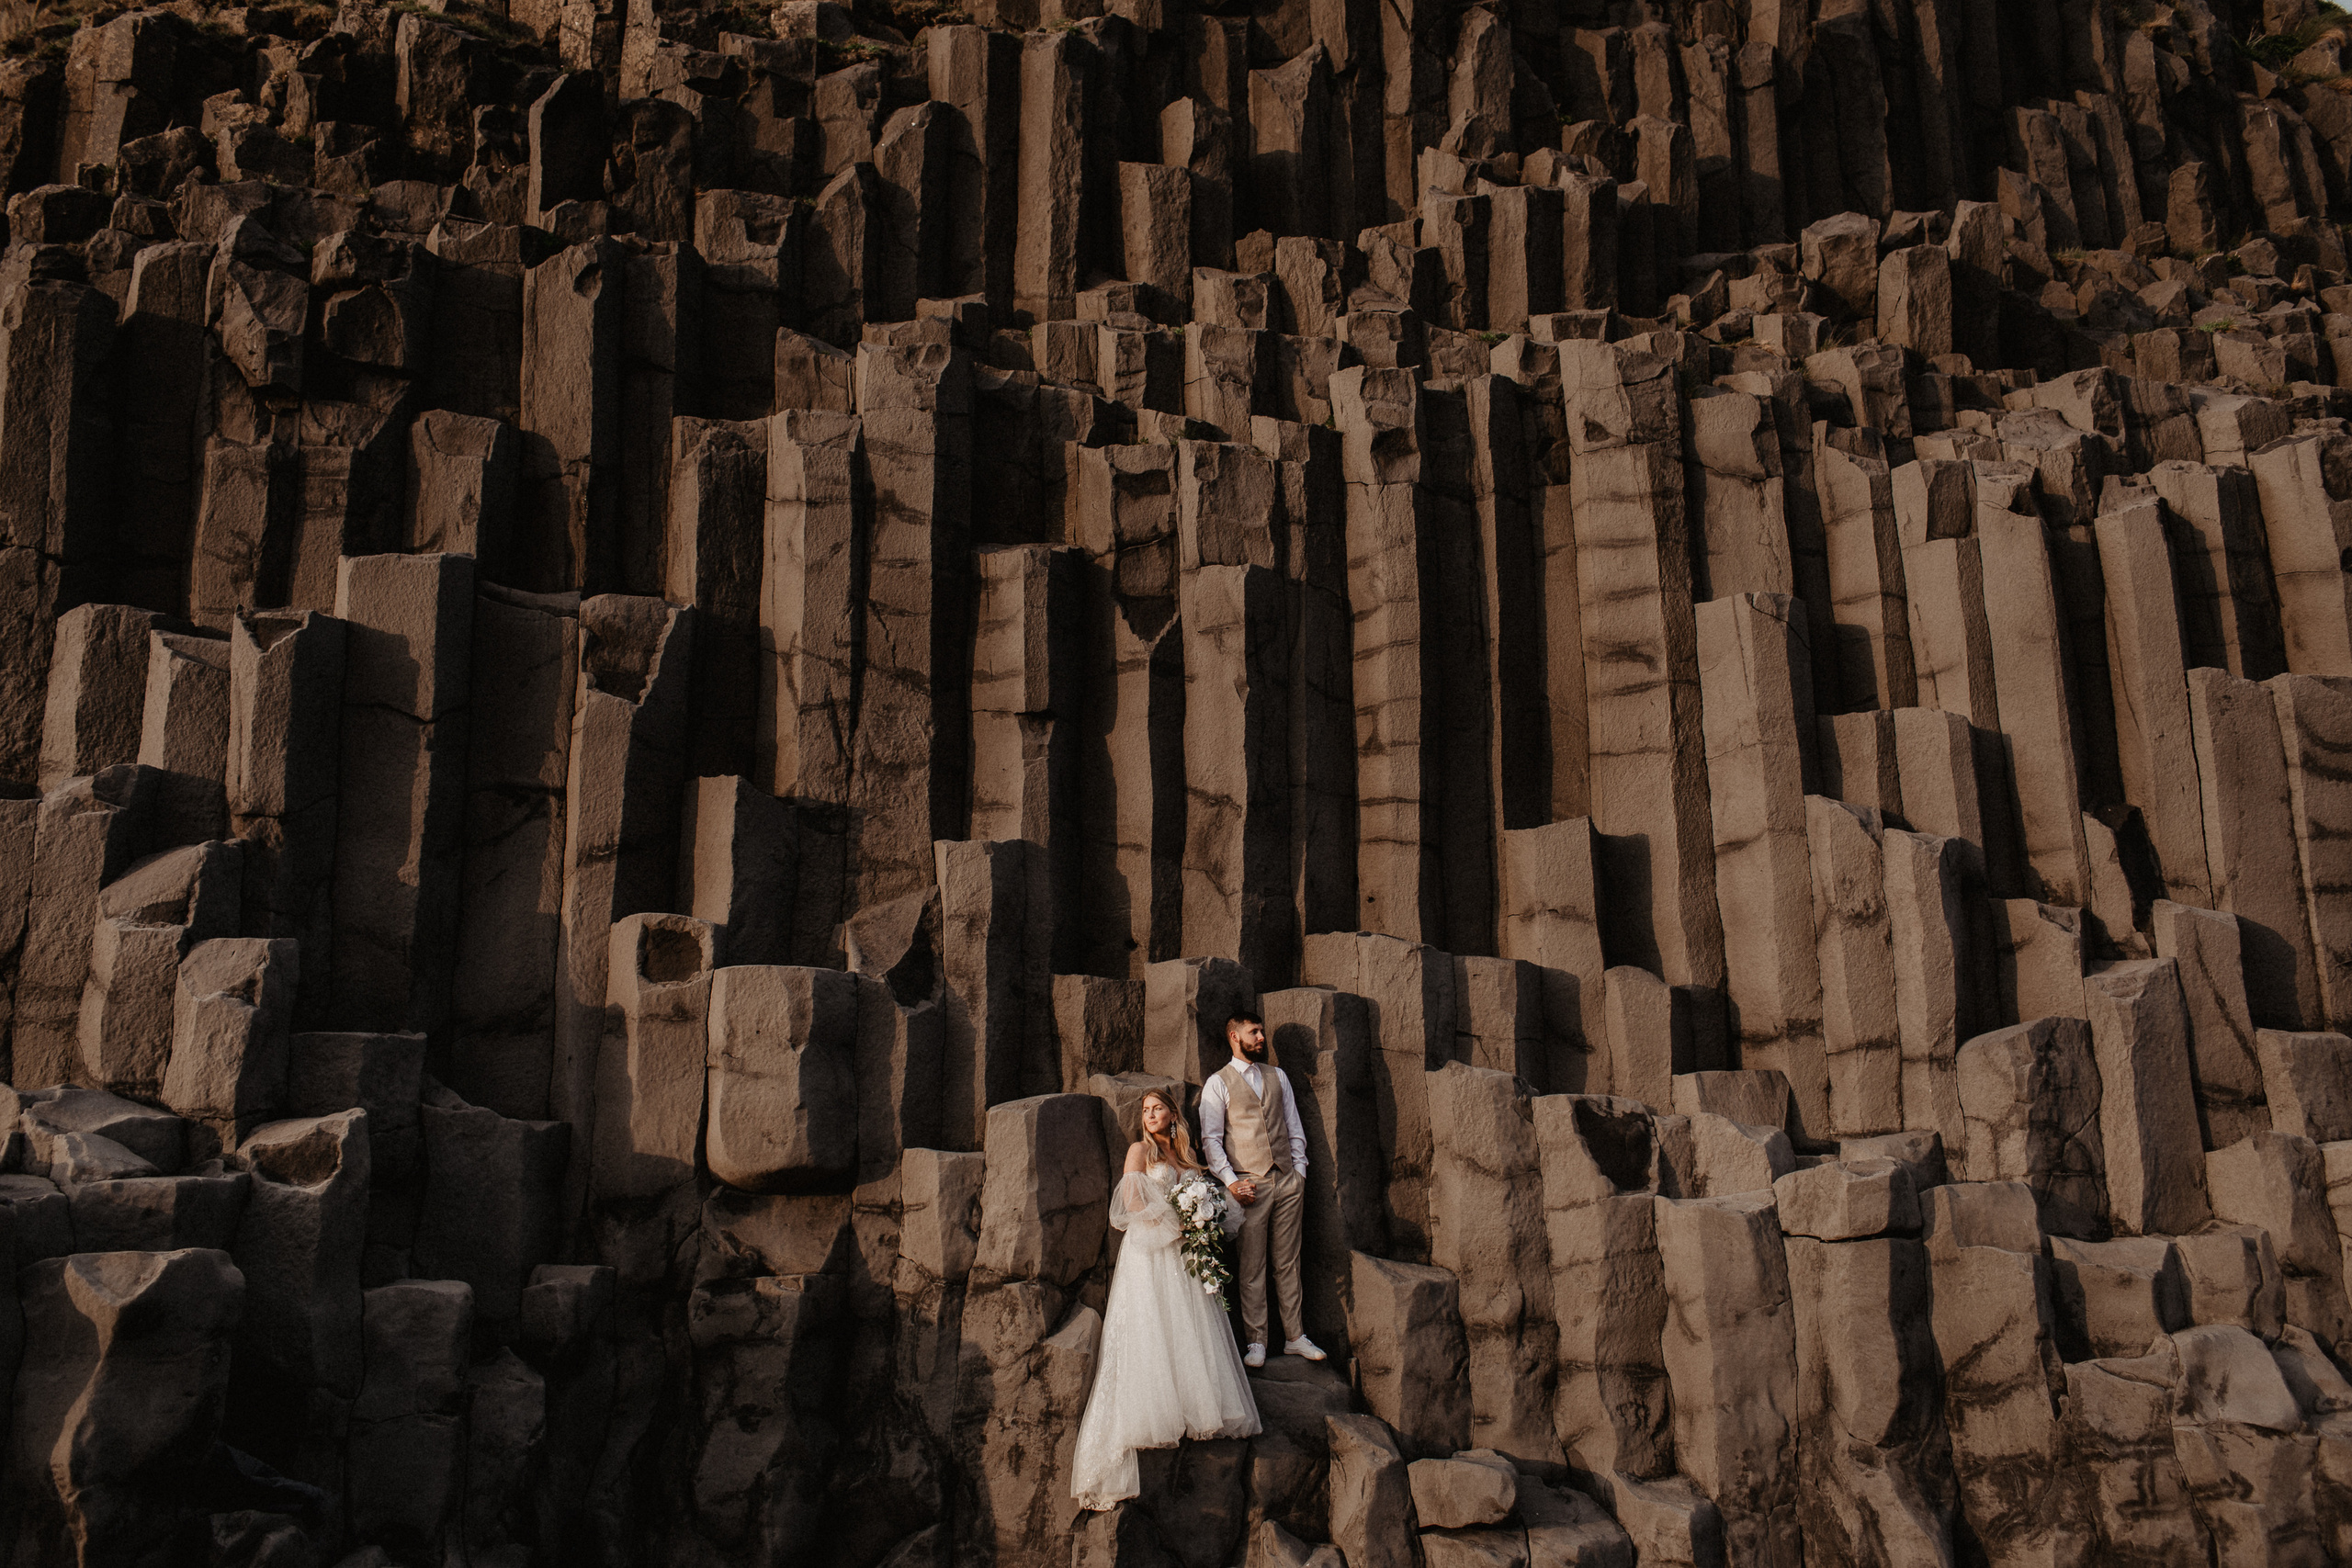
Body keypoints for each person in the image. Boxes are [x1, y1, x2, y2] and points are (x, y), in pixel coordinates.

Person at [1069, 1089, 1261, 1511]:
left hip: (1182, 1255)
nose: (1150, 1115)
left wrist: (1213, 1210)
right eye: (1145, 1110)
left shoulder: (1185, 1160)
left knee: (1189, 1327)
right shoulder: (1140, 1150)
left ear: (1174, 1115)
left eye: (1158, 1108)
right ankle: (1152, 1415)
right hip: (1151, 1251)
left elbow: (1208, 1200)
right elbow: (1133, 1201)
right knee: (1151, 1325)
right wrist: (1179, 1221)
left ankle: (1194, 1408)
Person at [1198, 1010, 1326, 1370]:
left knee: (1288, 1261)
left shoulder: (1277, 1076)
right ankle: (1257, 1341)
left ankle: (1295, 1336)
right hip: (1248, 1185)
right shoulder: (1218, 1082)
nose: (1261, 1038)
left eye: (1262, 1032)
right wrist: (1232, 1182)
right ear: (1234, 1037)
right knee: (1252, 1266)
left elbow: (1293, 1125)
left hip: (1286, 1179)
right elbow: (1211, 1140)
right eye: (1254, 1032)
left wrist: (1299, 1172)